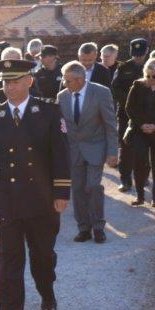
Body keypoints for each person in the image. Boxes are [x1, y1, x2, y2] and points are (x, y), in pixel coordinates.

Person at [0, 59, 70, 310]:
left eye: (15, 81)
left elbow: (60, 155)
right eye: (6, 82)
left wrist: (61, 192)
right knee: (9, 258)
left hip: (41, 199)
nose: (10, 87)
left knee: (42, 256)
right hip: (8, 199)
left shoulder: (49, 111)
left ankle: (47, 292)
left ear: (29, 81)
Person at [57, 61, 118, 243]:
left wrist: (112, 151)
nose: (65, 85)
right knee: (77, 190)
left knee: (93, 187)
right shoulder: (62, 96)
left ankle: (98, 227)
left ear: (80, 79)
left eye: (68, 81)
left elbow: (110, 124)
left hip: (95, 148)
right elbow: (61, 127)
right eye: (65, 81)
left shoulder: (101, 92)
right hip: (73, 151)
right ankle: (83, 228)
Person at [112, 38, 150, 193]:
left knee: (145, 148)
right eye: (135, 54)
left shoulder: (152, 67)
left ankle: (143, 177)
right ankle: (125, 179)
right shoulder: (123, 67)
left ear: (147, 51)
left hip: (148, 116)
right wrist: (131, 101)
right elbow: (115, 88)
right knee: (126, 147)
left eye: (140, 54)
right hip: (126, 115)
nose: (138, 57)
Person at [125, 57, 155, 206]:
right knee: (139, 162)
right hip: (139, 130)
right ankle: (140, 196)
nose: (150, 79)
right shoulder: (137, 86)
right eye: (148, 75)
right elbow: (129, 108)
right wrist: (142, 124)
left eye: (154, 76)